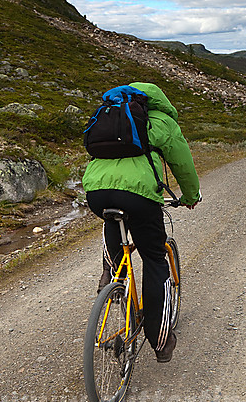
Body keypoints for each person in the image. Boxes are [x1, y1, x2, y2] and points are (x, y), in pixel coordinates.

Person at [82, 82, 200, 363]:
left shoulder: (108, 114)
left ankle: (110, 276)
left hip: (97, 193)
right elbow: (182, 162)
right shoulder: (161, 120)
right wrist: (190, 194)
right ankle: (161, 341)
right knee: (155, 259)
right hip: (140, 197)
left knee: (113, 223)